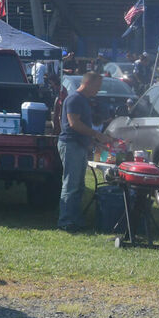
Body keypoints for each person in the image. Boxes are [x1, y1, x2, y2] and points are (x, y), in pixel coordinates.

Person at [57, 71, 113, 232]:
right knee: (71, 184)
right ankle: (66, 221)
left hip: (79, 145)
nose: (98, 90)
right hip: (70, 144)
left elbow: (81, 128)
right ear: (88, 83)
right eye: (97, 86)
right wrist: (97, 134)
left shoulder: (84, 100)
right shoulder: (74, 99)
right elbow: (74, 124)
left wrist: (95, 142)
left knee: (79, 185)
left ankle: (75, 219)